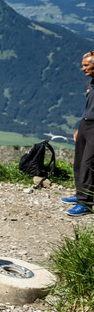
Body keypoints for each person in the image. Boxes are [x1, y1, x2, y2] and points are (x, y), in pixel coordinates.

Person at [64, 51, 94, 216]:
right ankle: (80, 193)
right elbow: (89, 106)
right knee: (79, 161)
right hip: (85, 124)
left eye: (86, 65)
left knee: (88, 163)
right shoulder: (91, 82)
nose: (83, 69)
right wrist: (79, 128)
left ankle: (85, 204)